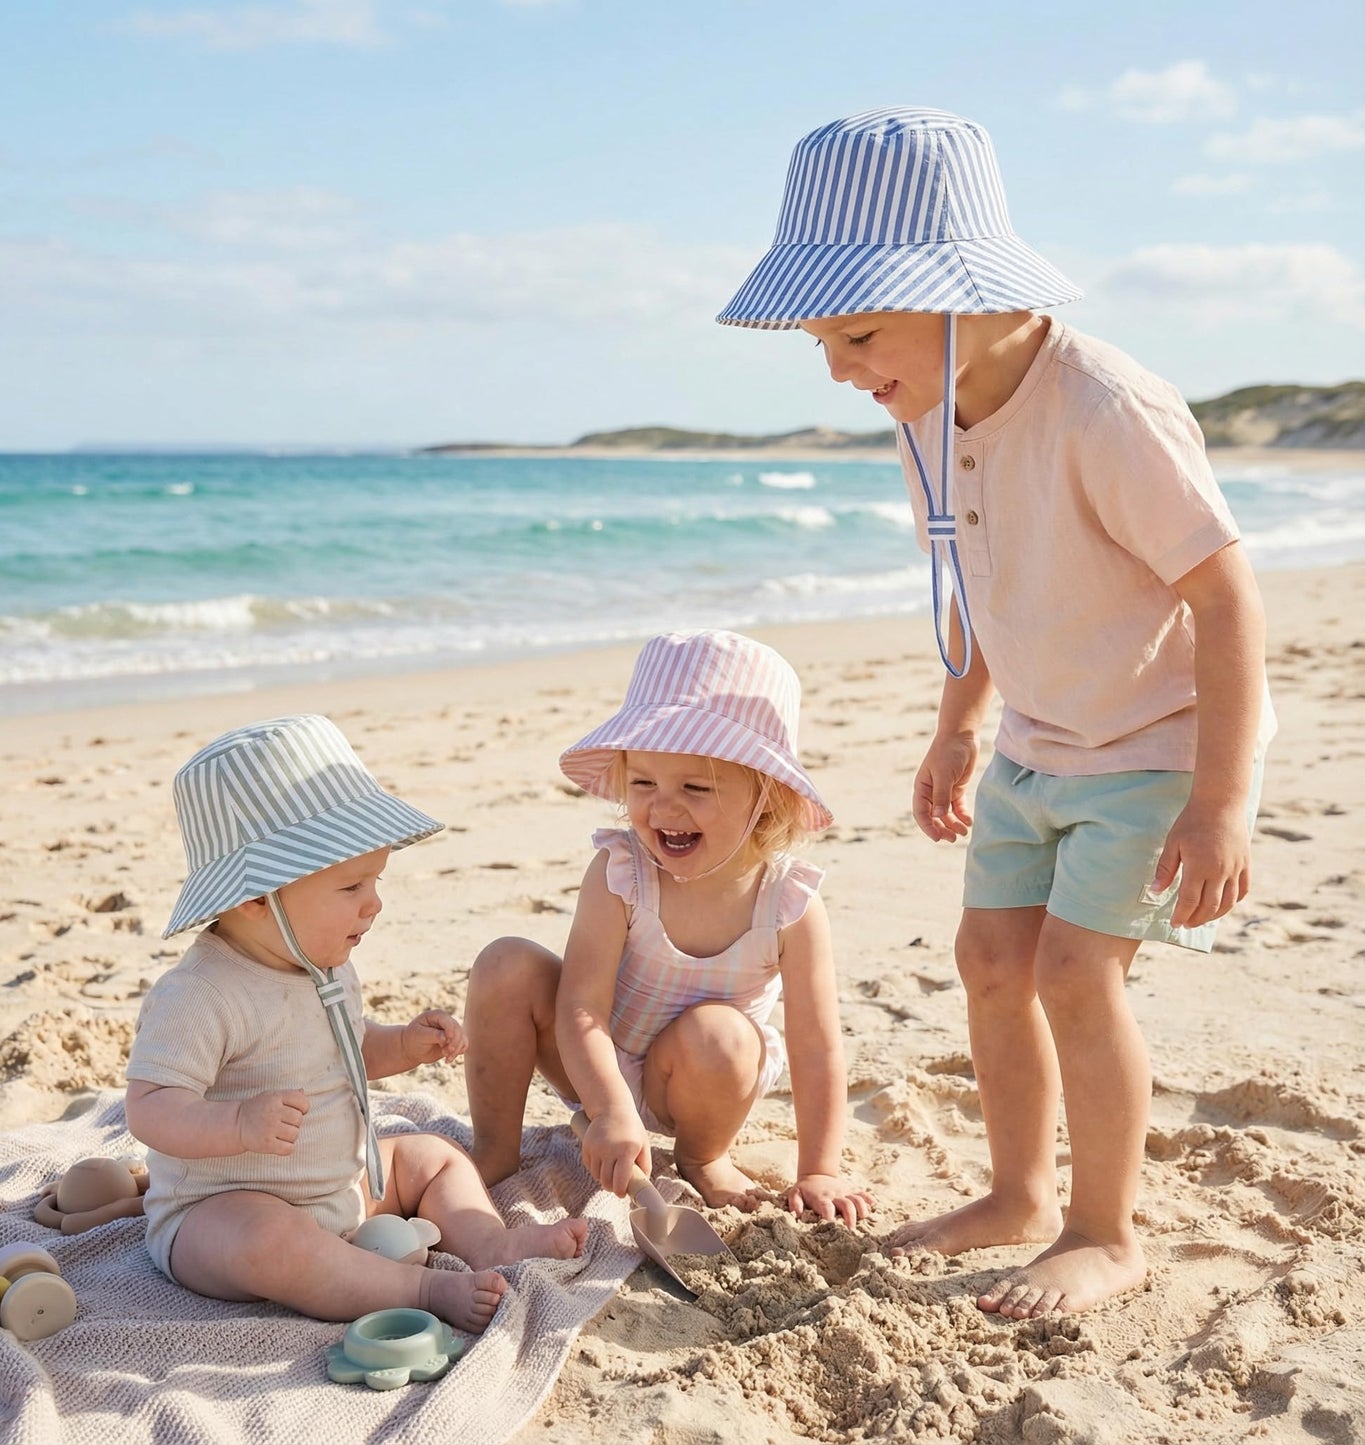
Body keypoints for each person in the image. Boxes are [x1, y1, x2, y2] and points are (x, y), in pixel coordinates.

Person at [716, 107, 1274, 1317]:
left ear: (962, 293)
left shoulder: (1103, 410)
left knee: (1075, 972)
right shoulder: (926, 407)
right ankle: (1017, 1194)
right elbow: (968, 570)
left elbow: (1225, 598)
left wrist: (1221, 803)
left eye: (857, 331)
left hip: (1150, 744)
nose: (838, 370)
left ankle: (1102, 1228)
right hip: (1032, 737)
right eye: (823, 338)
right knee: (986, 961)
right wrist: (956, 721)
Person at [125, 714, 586, 1334]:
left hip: (342, 1184)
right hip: (222, 1210)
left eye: (376, 880)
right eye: (351, 886)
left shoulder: (324, 964)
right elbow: (150, 1107)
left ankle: (490, 1243)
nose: (374, 903)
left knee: (433, 1156)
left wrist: (403, 1044)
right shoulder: (199, 995)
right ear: (255, 898)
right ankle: (422, 1287)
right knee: (272, 1242)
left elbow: (343, 1049)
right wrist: (236, 1122)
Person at [464, 629, 873, 1226]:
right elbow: (580, 1008)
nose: (663, 808)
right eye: (643, 783)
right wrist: (606, 1108)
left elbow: (818, 1049)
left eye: (695, 787)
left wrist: (819, 1169)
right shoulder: (623, 872)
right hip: (596, 1059)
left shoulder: (788, 904)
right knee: (505, 963)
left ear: (766, 796)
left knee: (723, 1036)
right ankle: (495, 1155)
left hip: (699, 1081)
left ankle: (702, 1158)